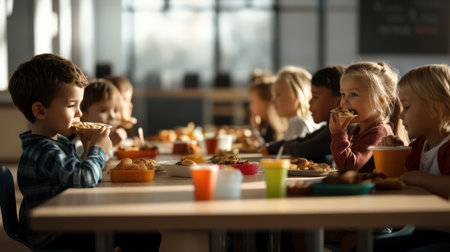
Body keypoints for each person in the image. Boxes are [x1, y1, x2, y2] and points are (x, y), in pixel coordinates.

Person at [8, 53, 160, 251]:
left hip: (66, 222)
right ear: (40, 111)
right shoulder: (43, 150)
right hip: (54, 234)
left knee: (142, 231)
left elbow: (78, 178)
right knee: (145, 236)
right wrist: (99, 150)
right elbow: (84, 178)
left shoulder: (57, 142)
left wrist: (88, 146)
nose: (80, 113)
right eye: (72, 106)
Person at [372, 64, 450, 252]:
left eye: (406, 107)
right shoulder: (418, 147)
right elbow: (400, 177)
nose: (401, 114)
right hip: (424, 232)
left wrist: (416, 177)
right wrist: (390, 156)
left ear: (435, 109)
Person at [330, 62, 408, 172]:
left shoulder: (379, 131)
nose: (344, 102)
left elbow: (349, 167)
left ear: (380, 101)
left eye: (353, 94)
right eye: (343, 94)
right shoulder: (356, 129)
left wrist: (338, 134)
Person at [265, 65, 346, 165]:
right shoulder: (328, 128)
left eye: (315, 97)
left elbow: (304, 149)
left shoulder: (340, 130)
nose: (310, 102)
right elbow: (305, 139)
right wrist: (270, 148)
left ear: (338, 103)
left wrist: (285, 147)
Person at [79, 78, 128, 156]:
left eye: (115, 110)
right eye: (103, 111)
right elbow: (92, 165)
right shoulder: (79, 146)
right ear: (83, 115)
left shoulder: (112, 135)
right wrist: (111, 144)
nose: (112, 116)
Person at [273, 66, 323, 141]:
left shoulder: (298, 123)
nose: (273, 101)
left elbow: (288, 152)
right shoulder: (309, 122)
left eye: (278, 95)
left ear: (297, 95)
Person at [248, 73, 287, 143]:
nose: (250, 106)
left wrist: (256, 131)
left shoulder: (275, 125)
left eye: (252, 101)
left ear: (266, 102)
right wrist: (257, 128)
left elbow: (269, 147)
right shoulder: (266, 124)